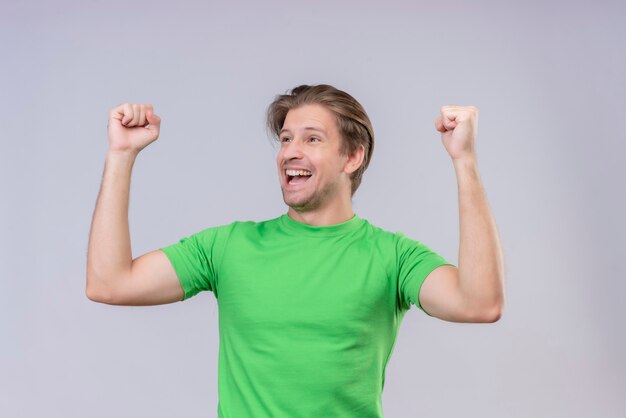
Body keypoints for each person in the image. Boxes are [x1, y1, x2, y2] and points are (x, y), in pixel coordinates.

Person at [86, 84, 505, 417]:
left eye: (312, 138)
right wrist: (121, 154)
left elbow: (479, 304)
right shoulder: (227, 246)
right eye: (286, 138)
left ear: (352, 156)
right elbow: (109, 284)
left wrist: (464, 160)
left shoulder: (393, 257)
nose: (290, 152)